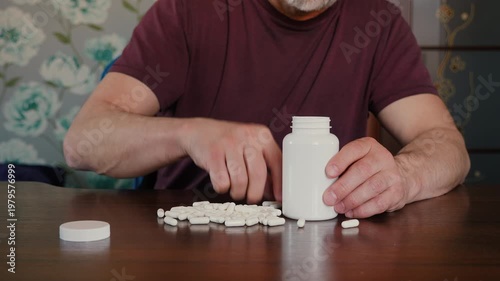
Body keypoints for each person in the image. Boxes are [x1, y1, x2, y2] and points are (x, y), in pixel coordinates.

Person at [64, 0, 470, 219]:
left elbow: (447, 145)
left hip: (321, 244)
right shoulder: (187, 10)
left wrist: (403, 175)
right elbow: (82, 143)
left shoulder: (377, 22)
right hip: (189, 244)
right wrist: (189, 134)